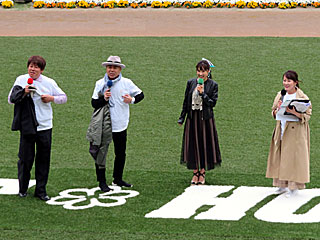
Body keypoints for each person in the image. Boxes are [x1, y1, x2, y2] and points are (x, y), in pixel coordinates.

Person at [8, 55, 67, 201]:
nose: (32, 69)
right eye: (30, 66)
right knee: (24, 159)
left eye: (36, 67)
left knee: (43, 160)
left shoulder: (49, 82)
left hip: (45, 126)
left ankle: (41, 191)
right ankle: (22, 189)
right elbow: (11, 99)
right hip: (27, 127)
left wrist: (51, 98)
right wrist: (24, 92)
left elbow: (63, 97)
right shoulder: (21, 80)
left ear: (41, 70)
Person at [90, 55, 144, 189]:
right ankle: (101, 181)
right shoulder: (100, 83)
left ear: (120, 69)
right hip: (103, 125)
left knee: (120, 153)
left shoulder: (127, 83)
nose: (111, 70)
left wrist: (131, 100)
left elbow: (140, 94)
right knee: (101, 153)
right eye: (109, 67)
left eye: (115, 67)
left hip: (120, 124)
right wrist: (104, 99)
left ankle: (117, 178)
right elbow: (94, 103)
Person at [266, 70, 312, 198]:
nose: (285, 83)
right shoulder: (280, 95)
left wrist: (293, 112)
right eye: (284, 80)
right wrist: (277, 110)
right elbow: (273, 112)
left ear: (295, 82)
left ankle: (293, 187)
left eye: (288, 81)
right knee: (280, 155)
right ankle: (281, 185)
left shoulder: (302, 97)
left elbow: (307, 116)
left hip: (295, 131)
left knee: (292, 158)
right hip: (281, 128)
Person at [178, 59, 221, 185]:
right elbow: (186, 101)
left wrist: (203, 94)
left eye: (203, 71)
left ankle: (202, 172)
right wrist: (182, 117)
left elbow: (212, 103)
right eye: (198, 71)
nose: (200, 74)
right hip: (192, 118)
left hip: (205, 120)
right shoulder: (191, 83)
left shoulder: (213, 85)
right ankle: (195, 172)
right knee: (193, 145)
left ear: (208, 72)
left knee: (204, 145)